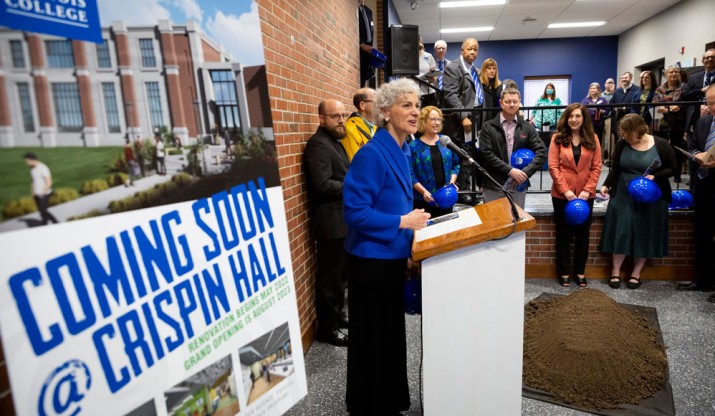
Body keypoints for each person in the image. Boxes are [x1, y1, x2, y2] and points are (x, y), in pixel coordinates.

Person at [343, 78, 430, 415]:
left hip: (391, 257)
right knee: (373, 338)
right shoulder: (370, 153)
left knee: (390, 337)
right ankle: (369, 405)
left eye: (417, 105)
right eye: (406, 105)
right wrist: (402, 223)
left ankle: (388, 402)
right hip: (370, 262)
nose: (414, 112)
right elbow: (354, 213)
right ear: (384, 111)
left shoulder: (402, 149)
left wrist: (408, 247)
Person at [599, 114, 676, 289]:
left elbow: (673, 168)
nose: (624, 137)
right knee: (621, 230)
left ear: (638, 130)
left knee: (644, 232)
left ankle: (636, 273)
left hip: (650, 196)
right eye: (622, 133)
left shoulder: (661, 144)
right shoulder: (622, 144)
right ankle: (615, 271)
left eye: (627, 133)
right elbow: (616, 169)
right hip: (624, 193)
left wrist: (655, 176)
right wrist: (606, 185)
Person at [303, 99, 350, 347]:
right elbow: (322, 185)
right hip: (330, 224)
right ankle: (328, 329)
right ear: (321, 118)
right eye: (335, 116)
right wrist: (353, 187)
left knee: (340, 279)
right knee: (330, 281)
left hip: (342, 221)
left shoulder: (335, 142)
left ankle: (339, 318)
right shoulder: (318, 145)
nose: (341, 120)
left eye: (343, 115)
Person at [548, 104, 602, 287]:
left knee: (583, 235)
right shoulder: (557, 138)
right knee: (563, 234)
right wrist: (566, 191)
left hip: (586, 195)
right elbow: (553, 167)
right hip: (562, 195)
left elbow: (596, 167)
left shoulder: (592, 138)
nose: (574, 119)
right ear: (566, 118)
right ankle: (563, 272)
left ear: (583, 118)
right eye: (570, 116)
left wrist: (588, 189)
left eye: (578, 116)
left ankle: (580, 272)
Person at [479, 87, 547, 207]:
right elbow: (486, 154)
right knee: (494, 222)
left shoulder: (527, 127)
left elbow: (542, 152)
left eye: (515, 102)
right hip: (494, 183)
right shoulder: (488, 127)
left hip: (518, 183)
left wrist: (524, 173)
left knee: (516, 222)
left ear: (519, 102)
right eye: (508, 101)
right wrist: (510, 170)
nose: (511, 105)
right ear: (501, 102)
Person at [678, 84, 715, 298]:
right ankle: (702, 280)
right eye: (709, 103)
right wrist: (697, 154)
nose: (711, 107)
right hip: (702, 185)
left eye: (714, 103)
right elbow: (692, 144)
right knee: (701, 234)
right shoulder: (703, 122)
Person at [443, 37, 482, 190]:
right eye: (469, 48)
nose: (472, 51)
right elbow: (450, 95)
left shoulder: (474, 70)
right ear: (462, 50)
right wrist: (463, 116)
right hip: (461, 121)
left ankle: (469, 189)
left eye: (475, 49)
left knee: (470, 154)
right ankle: (463, 191)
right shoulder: (453, 67)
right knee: (462, 155)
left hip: (476, 118)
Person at [409, 106, 460, 218]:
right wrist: (423, 192)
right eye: (433, 119)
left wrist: (452, 182)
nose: (436, 123)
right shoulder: (414, 146)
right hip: (424, 200)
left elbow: (456, 164)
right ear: (423, 121)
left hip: (446, 198)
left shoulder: (446, 141)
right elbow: (410, 174)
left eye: (439, 119)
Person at [653, 65, 688, 183]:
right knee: (661, 149)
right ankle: (661, 173)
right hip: (660, 124)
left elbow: (682, 105)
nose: (673, 74)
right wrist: (671, 108)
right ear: (665, 74)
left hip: (676, 124)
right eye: (671, 72)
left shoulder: (683, 87)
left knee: (676, 149)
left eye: (676, 72)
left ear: (679, 74)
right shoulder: (659, 89)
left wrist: (668, 108)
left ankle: (676, 174)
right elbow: (655, 104)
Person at [23, 152, 59, 225]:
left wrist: (42, 192)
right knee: (41, 211)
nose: (26, 163)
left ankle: (56, 223)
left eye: (27, 161)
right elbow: (33, 181)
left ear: (31, 160)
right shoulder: (32, 169)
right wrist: (32, 192)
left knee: (43, 211)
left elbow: (49, 182)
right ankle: (45, 223)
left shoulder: (42, 168)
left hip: (45, 193)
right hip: (37, 194)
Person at [342, 88, 377, 161]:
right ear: (362, 105)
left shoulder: (375, 128)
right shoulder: (349, 130)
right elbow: (356, 163)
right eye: (376, 102)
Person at [480, 58, 503, 123]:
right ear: (484, 70)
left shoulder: (499, 86)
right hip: (483, 121)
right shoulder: (479, 85)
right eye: (489, 68)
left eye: (494, 68)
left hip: (496, 120)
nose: (492, 71)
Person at [417, 35, 437, 107]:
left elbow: (434, 76)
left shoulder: (428, 56)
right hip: (413, 92)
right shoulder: (406, 57)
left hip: (428, 92)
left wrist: (432, 78)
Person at [358, 0, 374, 87]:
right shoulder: (355, 8)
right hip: (359, 48)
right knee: (359, 77)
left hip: (368, 49)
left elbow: (372, 30)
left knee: (364, 77)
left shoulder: (369, 11)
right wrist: (361, 45)